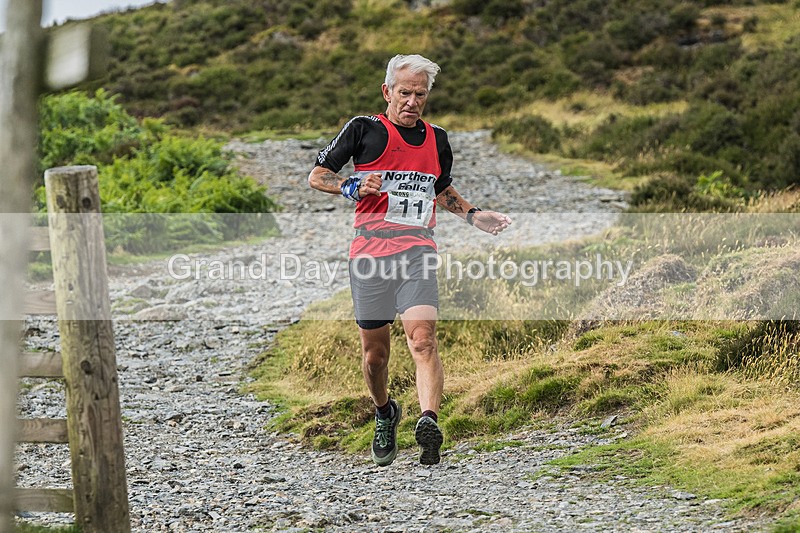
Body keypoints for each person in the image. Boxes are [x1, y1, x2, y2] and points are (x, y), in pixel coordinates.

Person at [308, 54, 511, 466]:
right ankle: (385, 412)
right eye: (404, 93)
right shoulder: (363, 129)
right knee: (374, 357)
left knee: (423, 340)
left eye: (420, 94)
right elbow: (317, 175)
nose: (412, 101)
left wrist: (475, 215)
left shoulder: (437, 140)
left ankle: (428, 421)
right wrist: (351, 185)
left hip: (417, 252)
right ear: (388, 91)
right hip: (369, 255)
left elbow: (441, 189)